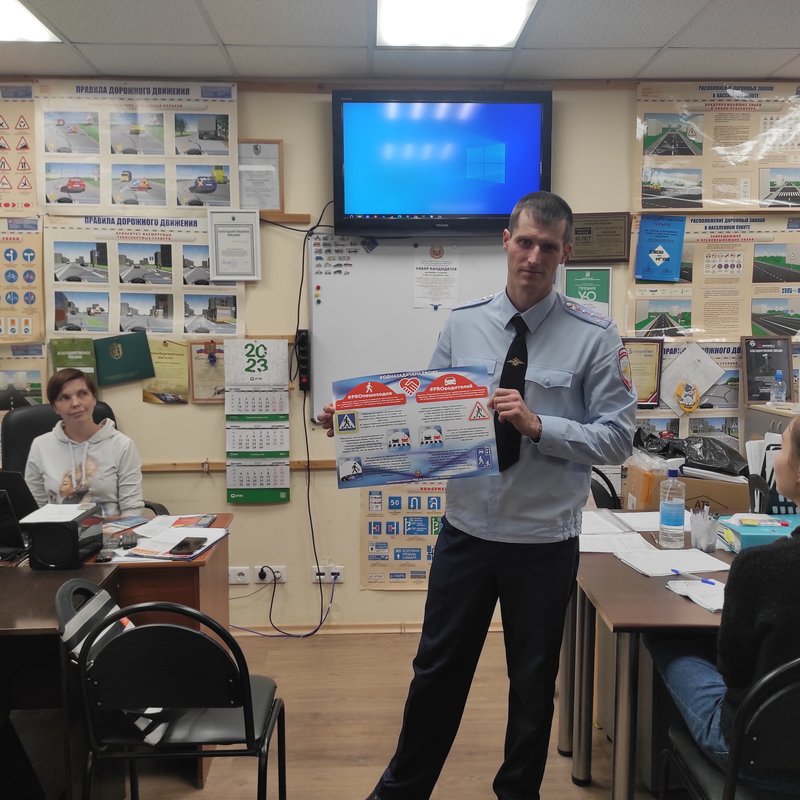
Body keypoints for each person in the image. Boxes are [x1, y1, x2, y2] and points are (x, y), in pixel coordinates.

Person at [317, 191, 637, 800]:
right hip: (465, 534)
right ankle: (401, 792)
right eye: (526, 242)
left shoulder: (595, 335)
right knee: (436, 673)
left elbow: (619, 439)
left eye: (548, 247)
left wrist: (538, 425)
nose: (534, 257)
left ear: (566, 253)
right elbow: (427, 419)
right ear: (506, 241)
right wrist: (358, 423)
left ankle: (517, 794)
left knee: (532, 685)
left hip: (542, 542)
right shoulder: (463, 323)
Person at [645, 416, 800, 793]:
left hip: (757, 755)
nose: (776, 458)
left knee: (664, 636)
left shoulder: (760, 567)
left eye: (782, 448)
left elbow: (734, 672)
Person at [24, 368, 145, 517]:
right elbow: (34, 508)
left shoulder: (122, 445)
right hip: (58, 530)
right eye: (65, 397)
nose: (75, 403)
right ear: (55, 407)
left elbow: (132, 509)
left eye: (82, 394)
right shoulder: (40, 446)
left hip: (109, 529)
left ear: (94, 399)